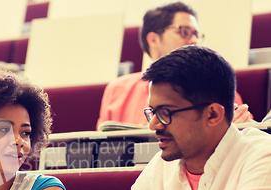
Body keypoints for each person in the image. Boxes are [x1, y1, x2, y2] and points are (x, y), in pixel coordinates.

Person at [77, 46, 271, 190]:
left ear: (213, 115)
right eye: (152, 112)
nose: (153, 125)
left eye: (166, 112)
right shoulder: (159, 167)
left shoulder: (263, 158)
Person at [96, 1, 252, 129]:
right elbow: (103, 148)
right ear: (153, 40)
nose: (194, 41)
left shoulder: (216, 85)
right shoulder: (117, 90)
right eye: (184, 32)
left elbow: (247, 134)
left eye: (196, 35)